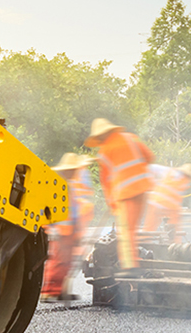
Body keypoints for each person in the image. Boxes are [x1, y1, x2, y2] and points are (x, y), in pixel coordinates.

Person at [87, 118, 156, 269]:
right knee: (134, 228)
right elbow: (150, 157)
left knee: (125, 231)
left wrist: (112, 204)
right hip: (143, 189)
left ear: (99, 137)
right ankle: (135, 261)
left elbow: (106, 182)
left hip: (125, 193)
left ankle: (130, 267)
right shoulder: (131, 138)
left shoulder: (104, 152)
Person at [43, 153, 95, 302]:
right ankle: (48, 291)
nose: (74, 172)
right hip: (60, 231)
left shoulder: (70, 187)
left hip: (69, 232)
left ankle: (59, 290)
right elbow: (48, 210)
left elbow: (74, 212)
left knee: (67, 263)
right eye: (72, 170)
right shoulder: (57, 186)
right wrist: (52, 230)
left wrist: (77, 233)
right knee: (57, 262)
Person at [143, 163, 191, 244]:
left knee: (148, 229)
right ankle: (175, 247)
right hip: (171, 208)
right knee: (175, 231)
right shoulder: (186, 182)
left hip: (156, 203)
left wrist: (152, 182)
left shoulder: (169, 171)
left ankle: (142, 244)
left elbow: (151, 168)